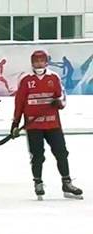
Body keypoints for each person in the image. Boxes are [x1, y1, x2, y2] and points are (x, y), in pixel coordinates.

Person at [11, 50, 83, 200]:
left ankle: (67, 183)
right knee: (37, 156)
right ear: (32, 63)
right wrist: (15, 122)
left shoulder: (53, 77)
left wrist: (59, 103)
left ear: (46, 62)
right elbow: (19, 102)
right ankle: (38, 182)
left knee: (61, 153)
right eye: (36, 61)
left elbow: (62, 97)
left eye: (41, 61)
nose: (39, 64)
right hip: (33, 126)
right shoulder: (25, 79)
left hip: (53, 124)